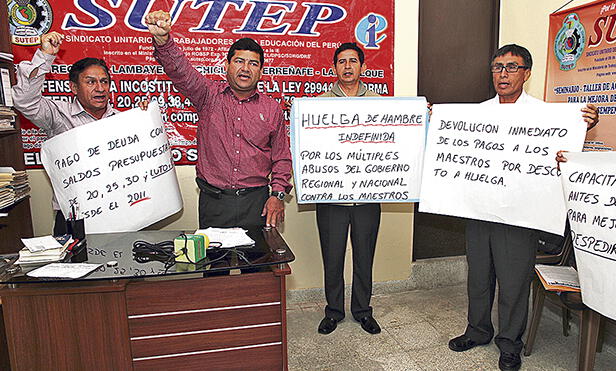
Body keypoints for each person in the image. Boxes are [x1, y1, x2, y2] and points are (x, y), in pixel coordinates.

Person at [447, 44, 599, 371]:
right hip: (480, 210)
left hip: (520, 215)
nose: (503, 74)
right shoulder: (477, 113)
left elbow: (564, 151)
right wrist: (436, 120)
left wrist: (583, 123)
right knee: (478, 277)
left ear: (526, 73)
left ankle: (510, 343)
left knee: (514, 282)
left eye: (511, 67)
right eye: (497, 67)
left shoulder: (545, 116)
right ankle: (478, 330)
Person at [145, 11, 292, 229]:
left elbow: (281, 158)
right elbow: (181, 72)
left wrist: (278, 195)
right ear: (226, 65)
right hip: (214, 203)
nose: (245, 68)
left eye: (253, 64)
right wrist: (163, 41)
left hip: (257, 203)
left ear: (261, 71)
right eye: (239, 61)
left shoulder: (272, 109)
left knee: (257, 264)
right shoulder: (207, 96)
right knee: (214, 264)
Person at [12, 32, 121, 236]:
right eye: (90, 82)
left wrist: (144, 118)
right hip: (74, 216)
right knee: (72, 267)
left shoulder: (123, 120)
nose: (100, 88)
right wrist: (45, 56)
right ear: (73, 87)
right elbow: (24, 101)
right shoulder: (58, 114)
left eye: (104, 82)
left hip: (118, 212)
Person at [315, 43, 381, 336]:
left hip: (367, 198)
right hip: (332, 199)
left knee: (365, 256)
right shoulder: (317, 105)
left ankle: (363, 310)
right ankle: (334, 311)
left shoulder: (382, 104)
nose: (347, 66)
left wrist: (421, 118)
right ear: (334, 68)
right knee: (332, 257)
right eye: (341, 62)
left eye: (353, 61)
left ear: (363, 67)